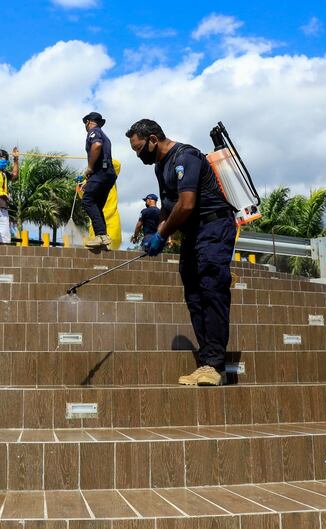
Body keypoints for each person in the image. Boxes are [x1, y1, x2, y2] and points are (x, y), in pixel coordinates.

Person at [125, 118, 236, 387]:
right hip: (193, 233)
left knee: (211, 290)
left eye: (140, 150)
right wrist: (155, 234)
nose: (139, 156)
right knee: (194, 295)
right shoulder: (161, 167)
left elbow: (186, 205)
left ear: (153, 139)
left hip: (214, 227)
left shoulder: (186, 157)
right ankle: (206, 361)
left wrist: (162, 235)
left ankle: (214, 365)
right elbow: (168, 208)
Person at [81, 112, 117, 250]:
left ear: (88, 122)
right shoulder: (103, 133)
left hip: (100, 173)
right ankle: (102, 237)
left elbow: (96, 145)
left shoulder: (94, 131)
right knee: (96, 204)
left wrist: (89, 167)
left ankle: (101, 235)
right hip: (108, 174)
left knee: (87, 200)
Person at [85, 158, 122, 250]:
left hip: (111, 218)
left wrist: (98, 160)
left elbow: (116, 164)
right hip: (96, 221)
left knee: (111, 242)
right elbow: (84, 196)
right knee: (95, 245)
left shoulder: (108, 176)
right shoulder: (91, 180)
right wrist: (80, 187)